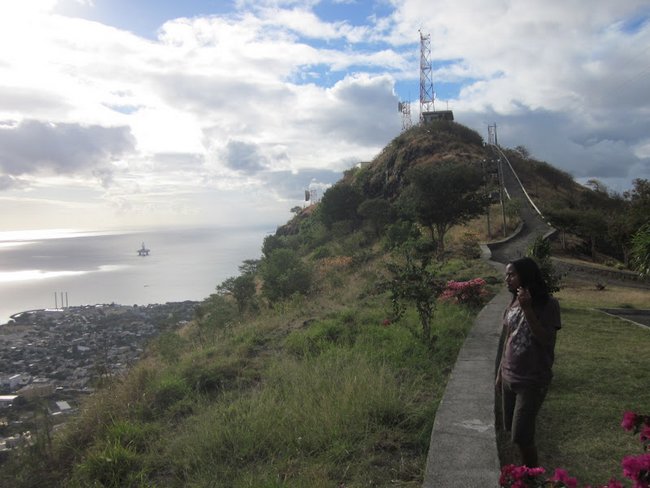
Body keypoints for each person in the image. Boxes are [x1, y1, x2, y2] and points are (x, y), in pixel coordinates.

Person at [496, 256, 562, 467]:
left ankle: (531, 478)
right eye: (506, 274)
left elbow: (546, 339)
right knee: (512, 431)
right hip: (509, 375)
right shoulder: (513, 301)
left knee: (522, 436)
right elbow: (509, 337)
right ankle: (522, 473)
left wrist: (527, 309)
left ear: (525, 275)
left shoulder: (547, 304)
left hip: (531, 379)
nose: (507, 278)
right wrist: (499, 373)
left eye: (511, 274)